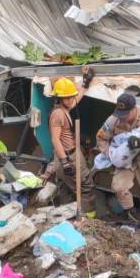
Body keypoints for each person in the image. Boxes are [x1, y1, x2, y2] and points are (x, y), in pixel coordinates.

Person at [96, 93, 140, 222]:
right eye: (120, 113)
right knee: (118, 186)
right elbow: (101, 138)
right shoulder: (113, 120)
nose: (122, 118)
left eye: (125, 114)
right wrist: (111, 155)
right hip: (125, 160)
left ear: (134, 108)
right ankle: (130, 213)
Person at [48, 69, 96, 216]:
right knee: (86, 187)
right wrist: (65, 162)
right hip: (68, 157)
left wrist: (85, 83)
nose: (70, 100)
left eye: (70, 97)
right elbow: (55, 139)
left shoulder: (65, 109)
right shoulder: (58, 114)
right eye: (66, 97)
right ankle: (88, 221)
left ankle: (66, 218)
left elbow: (76, 98)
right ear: (59, 98)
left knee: (67, 189)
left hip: (70, 155)